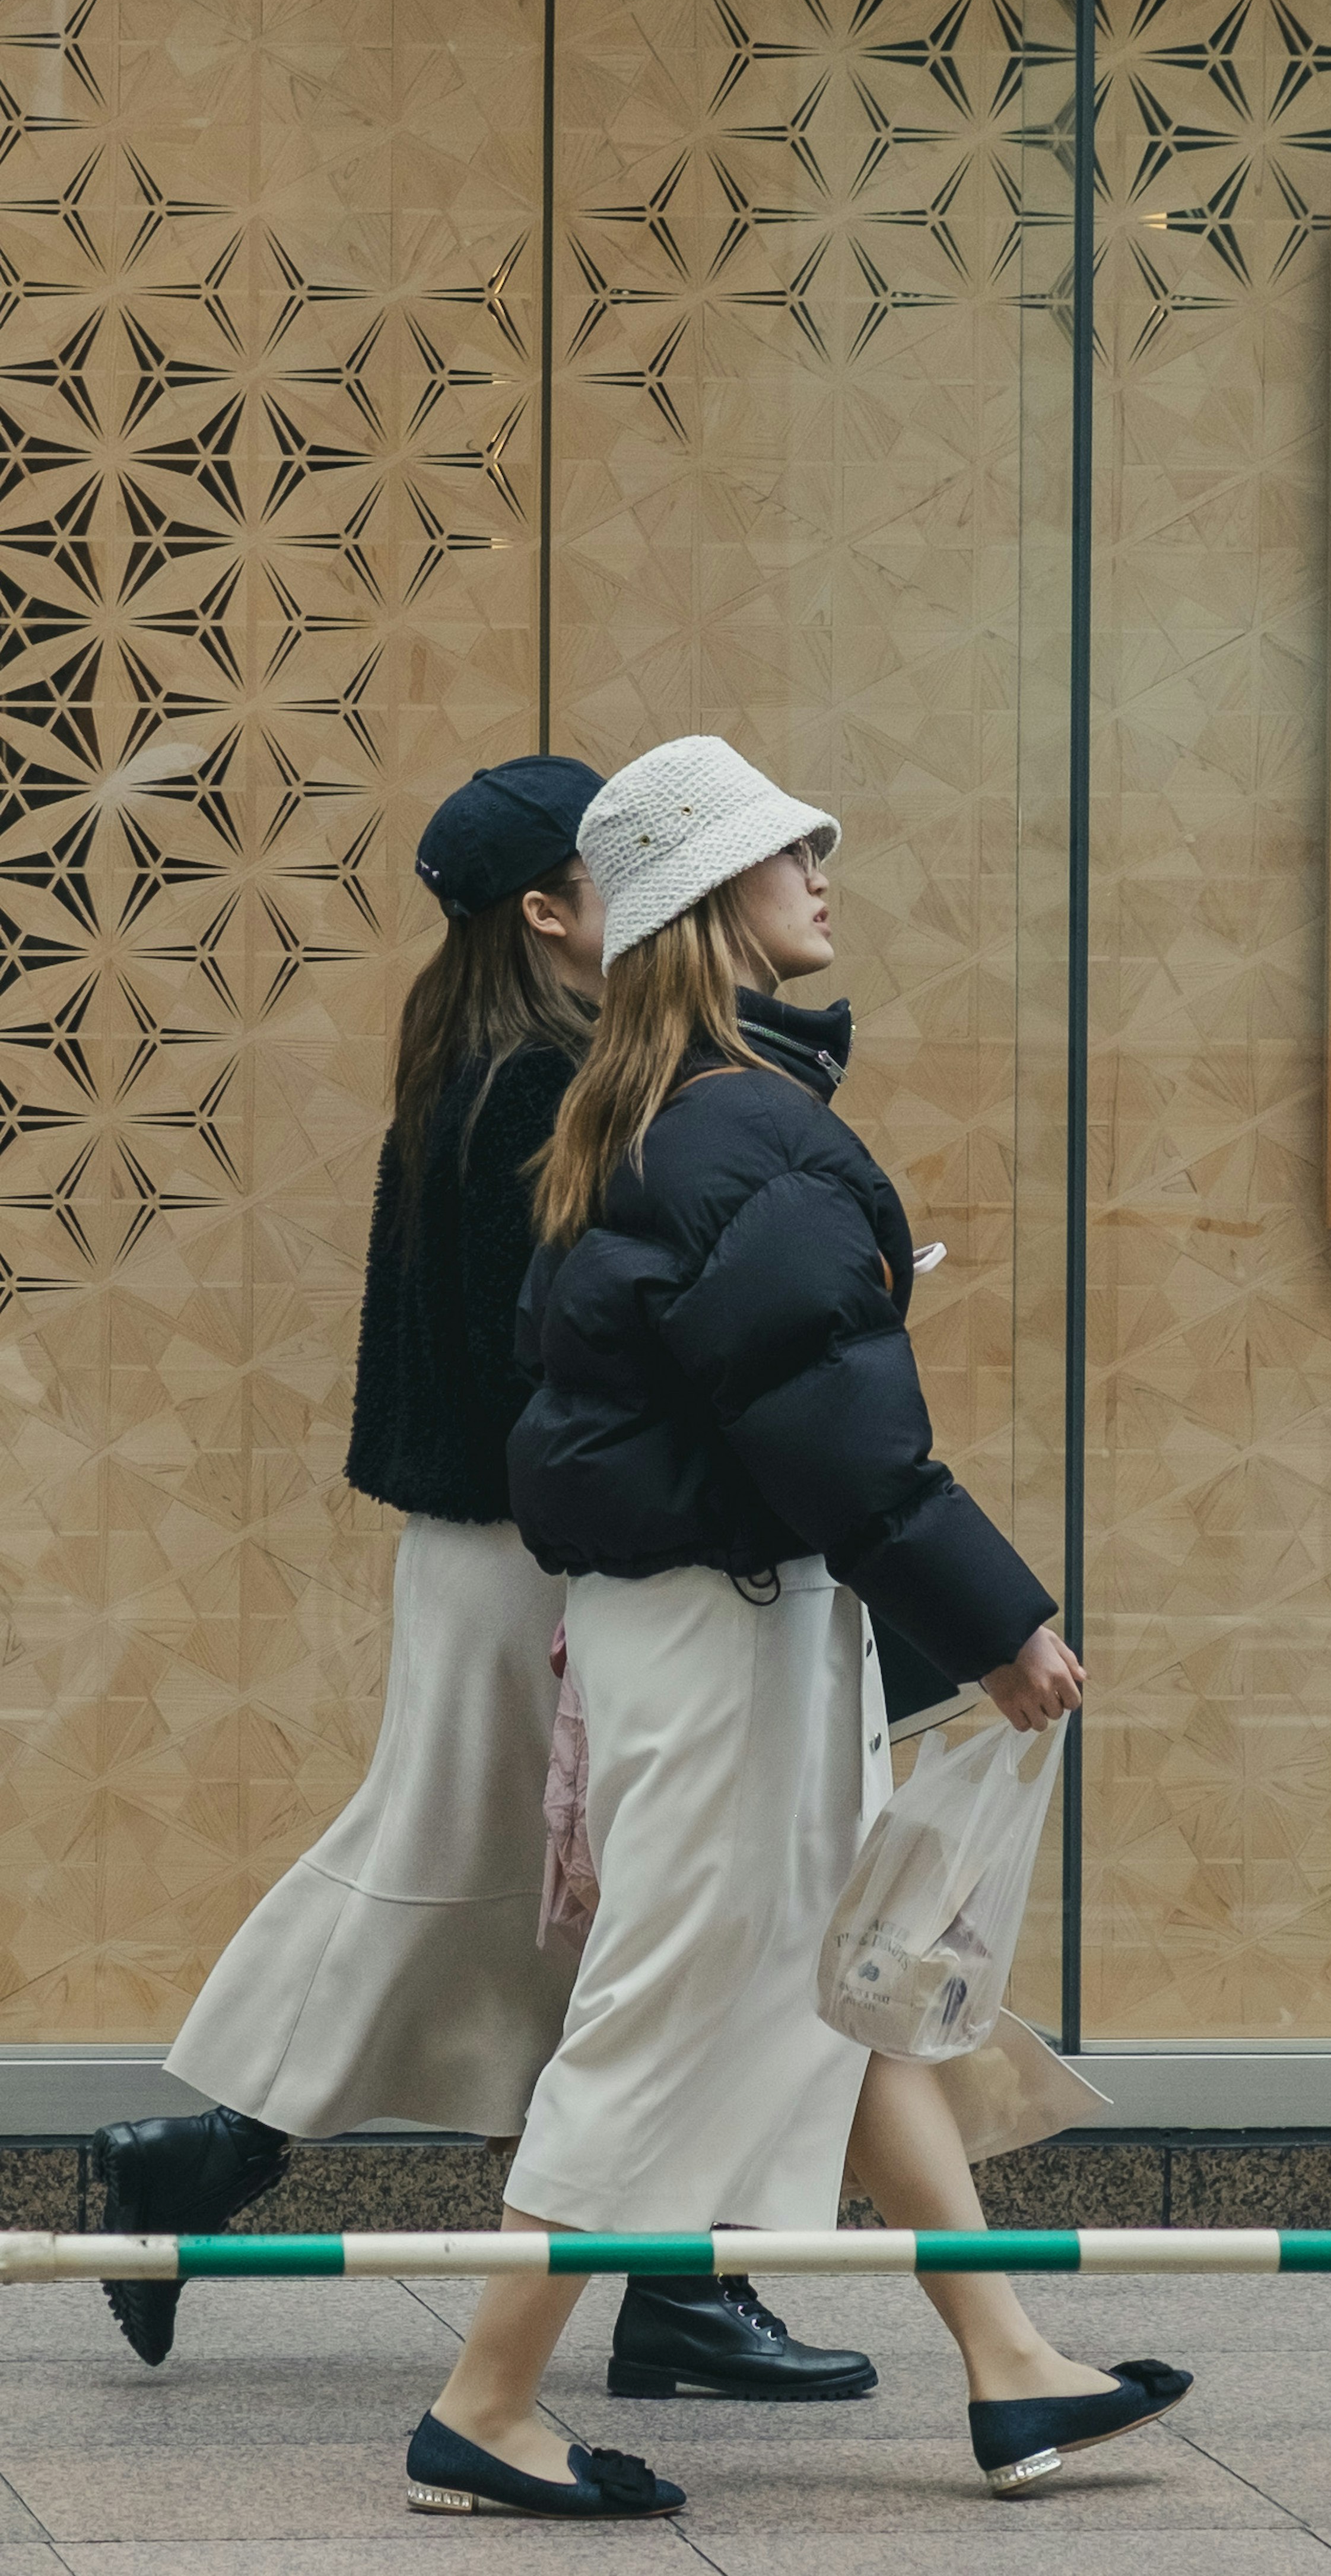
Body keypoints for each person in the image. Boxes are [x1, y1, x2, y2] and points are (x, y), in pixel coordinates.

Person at [401, 738, 1190, 2521]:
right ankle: (485, 2402)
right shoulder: (749, 1129)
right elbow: (834, 1424)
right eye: (787, 857)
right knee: (666, 2007)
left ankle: (1010, 2370)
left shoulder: (651, 1108)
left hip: (709, 1627)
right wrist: (1005, 1628)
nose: (823, 876)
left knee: (853, 1996)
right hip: (726, 1637)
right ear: (706, 905)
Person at [95, 757, 873, 2413]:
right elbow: (595, 1352)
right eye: (622, 870)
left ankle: (658, 2275)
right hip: (548, 1561)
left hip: (507, 1550)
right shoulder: (544, 1084)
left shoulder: (500, 1064)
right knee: (575, 1901)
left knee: (542, 1904)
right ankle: (650, 2279)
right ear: (549, 908)